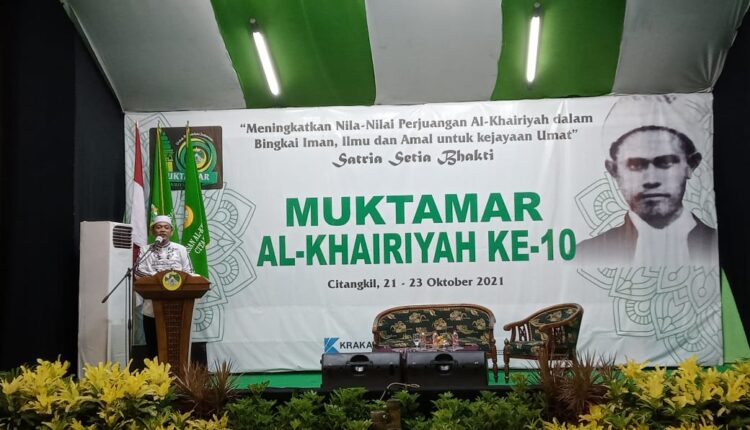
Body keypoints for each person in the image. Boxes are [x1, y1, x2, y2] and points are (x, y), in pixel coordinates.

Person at [576, 125, 717, 265]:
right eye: (635, 165)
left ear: (690, 166)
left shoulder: (718, 246)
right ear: (614, 170)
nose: (651, 180)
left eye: (666, 163)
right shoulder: (584, 255)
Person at [134, 215, 194, 357]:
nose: (162, 230)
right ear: (153, 231)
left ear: (171, 232)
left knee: (176, 346)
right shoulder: (146, 250)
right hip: (151, 307)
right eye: (159, 227)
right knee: (153, 347)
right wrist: (161, 279)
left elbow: (189, 272)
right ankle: (154, 371)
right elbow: (138, 272)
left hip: (177, 305)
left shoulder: (180, 249)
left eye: (166, 227)